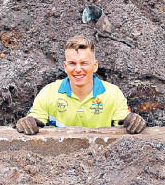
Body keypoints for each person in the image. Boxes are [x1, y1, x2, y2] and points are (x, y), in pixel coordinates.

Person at [16, 35, 146, 135]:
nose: (78, 69)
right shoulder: (49, 92)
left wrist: (133, 120)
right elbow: (36, 118)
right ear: (65, 67)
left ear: (95, 66)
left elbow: (123, 118)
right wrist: (28, 121)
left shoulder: (112, 93)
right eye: (72, 63)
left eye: (84, 63)